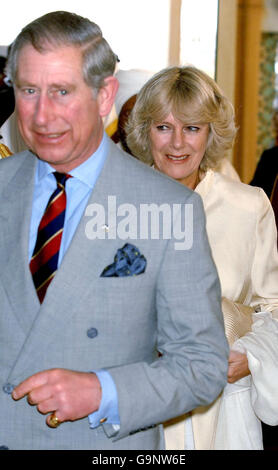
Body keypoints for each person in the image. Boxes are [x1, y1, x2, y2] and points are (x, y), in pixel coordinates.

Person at [0, 12, 228, 450]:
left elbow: (202, 366)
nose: (42, 115)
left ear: (105, 96)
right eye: (29, 91)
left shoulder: (170, 207)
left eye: (62, 92)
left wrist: (102, 391)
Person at [126, 65, 278, 450]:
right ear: (145, 131)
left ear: (210, 134)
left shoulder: (248, 206)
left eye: (192, 128)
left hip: (223, 410)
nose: (178, 143)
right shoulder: (113, 206)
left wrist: (251, 357)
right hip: (136, 407)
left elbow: (273, 307)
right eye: (164, 127)